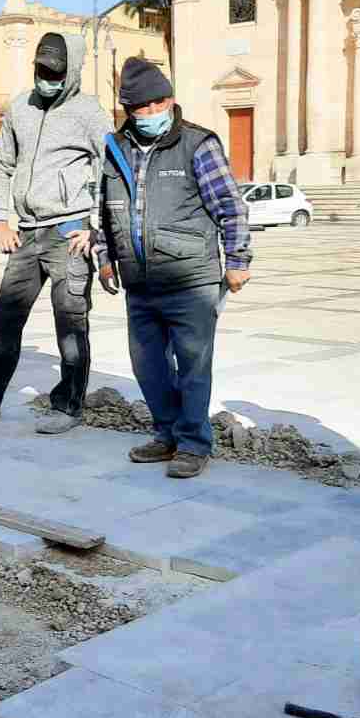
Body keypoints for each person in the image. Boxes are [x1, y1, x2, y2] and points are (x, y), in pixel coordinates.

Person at [0, 33, 109, 435]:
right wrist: (0, 217)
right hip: (27, 232)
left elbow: (110, 168)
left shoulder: (89, 113)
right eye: (40, 70)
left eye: (54, 72)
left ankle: (68, 405)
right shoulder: (22, 107)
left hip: (70, 230)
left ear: (71, 72)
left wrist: (94, 227)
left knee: (70, 319)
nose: (45, 78)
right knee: (3, 315)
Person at [94, 58, 251, 479]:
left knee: (194, 365)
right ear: (127, 109)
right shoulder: (115, 148)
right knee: (148, 366)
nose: (148, 114)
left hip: (191, 280)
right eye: (139, 108)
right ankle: (166, 433)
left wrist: (237, 261)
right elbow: (104, 212)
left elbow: (231, 208)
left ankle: (194, 442)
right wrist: (105, 258)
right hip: (139, 282)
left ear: (170, 100)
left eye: (156, 104)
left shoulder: (198, 144)